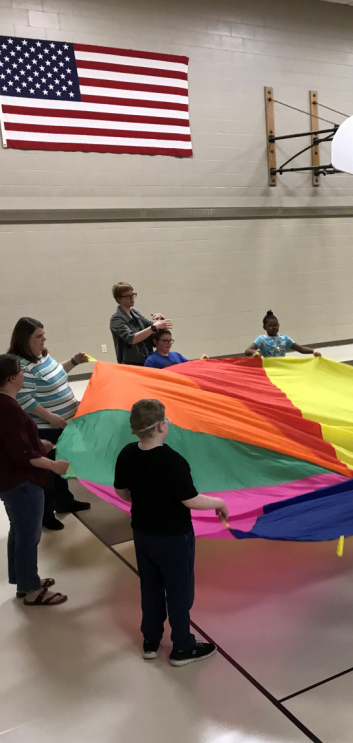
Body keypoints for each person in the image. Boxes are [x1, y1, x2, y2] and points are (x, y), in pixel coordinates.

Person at [114, 398, 228, 665]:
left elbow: (122, 491)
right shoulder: (173, 461)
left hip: (142, 535)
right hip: (174, 538)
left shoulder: (127, 453)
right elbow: (190, 500)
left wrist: (145, 499)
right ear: (162, 426)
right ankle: (183, 647)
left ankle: (151, 641)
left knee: (151, 587)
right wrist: (219, 502)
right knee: (178, 591)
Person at [0, 354, 70, 606]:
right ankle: (31, 589)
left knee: (20, 532)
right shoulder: (8, 408)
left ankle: (23, 580)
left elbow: (14, 444)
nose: (23, 375)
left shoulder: (7, 404)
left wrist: (40, 443)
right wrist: (54, 465)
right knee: (28, 535)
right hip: (22, 484)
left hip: (11, 481)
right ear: (11, 378)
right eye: (20, 371)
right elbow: (23, 456)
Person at [9, 317, 91, 531]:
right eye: (39, 336)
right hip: (46, 427)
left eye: (43, 335)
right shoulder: (22, 366)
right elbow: (24, 399)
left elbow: (57, 374)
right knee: (48, 471)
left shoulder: (42, 357)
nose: (44, 339)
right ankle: (46, 514)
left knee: (61, 465)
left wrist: (73, 362)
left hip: (61, 425)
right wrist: (50, 417)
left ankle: (64, 501)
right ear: (25, 339)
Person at [109, 281, 172, 366]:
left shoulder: (135, 313)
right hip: (131, 365)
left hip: (147, 360)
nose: (132, 298)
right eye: (128, 296)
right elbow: (132, 339)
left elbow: (152, 330)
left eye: (133, 295)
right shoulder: (116, 319)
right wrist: (155, 326)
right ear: (119, 299)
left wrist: (160, 322)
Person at [245, 310, 321, 358]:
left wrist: (313, 351)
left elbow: (300, 348)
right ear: (265, 327)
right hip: (269, 369)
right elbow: (247, 351)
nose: (273, 327)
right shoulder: (261, 339)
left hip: (282, 368)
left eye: (275, 325)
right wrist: (254, 352)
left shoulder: (284, 338)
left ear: (279, 325)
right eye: (270, 326)